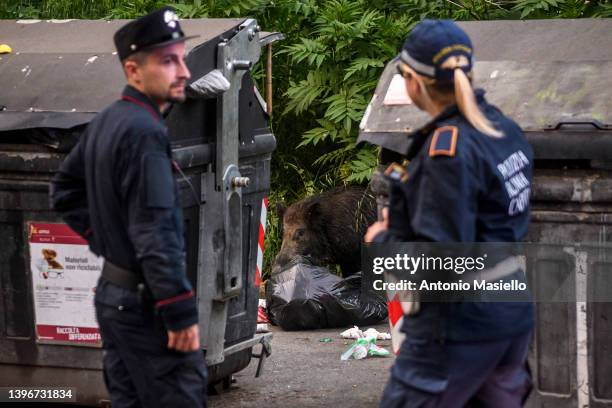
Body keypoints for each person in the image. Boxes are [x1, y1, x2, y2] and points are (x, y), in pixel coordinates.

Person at [365, 20, 534, 407]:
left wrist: (383, 241)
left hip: (460, 322)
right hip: (509, 308)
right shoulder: (503, 129)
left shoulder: (448, 149)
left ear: (415, 82)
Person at [50, 7, 207, 407]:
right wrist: (178, 311)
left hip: (113, 297)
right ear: (134, 71)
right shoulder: (144, 132)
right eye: (168, 61)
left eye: (182, 58)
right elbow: (156, 230)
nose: (183, 71)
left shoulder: (108, 119)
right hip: (146, 306)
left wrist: (111, 242)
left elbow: (65, 190)